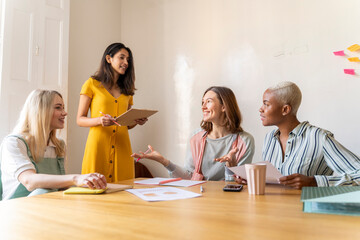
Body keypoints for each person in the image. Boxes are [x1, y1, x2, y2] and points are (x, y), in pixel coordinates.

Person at [0, 90, 107, 200]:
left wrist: (87, 183)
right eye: (58, 107)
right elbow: (29, 181)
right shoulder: (14, 143)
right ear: (41, 111)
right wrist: (76, 178)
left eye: (63, 108)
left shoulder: (59, 145)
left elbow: (60, 188)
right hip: (17, 210)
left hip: (48, 207)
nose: (64, 113)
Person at [131, 86, 255, 181]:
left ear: (224, 107)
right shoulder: (196, 138)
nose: (203, 107)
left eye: (209, 101)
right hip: (199, 200)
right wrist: (164, 161)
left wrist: (230, 169)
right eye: (202, 102)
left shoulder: (245, 141)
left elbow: (239, 185)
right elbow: (189, 177)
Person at [257, 81, 360, 189]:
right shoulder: (269, 139)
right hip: (270, 205)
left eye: (266, 104)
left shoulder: (319, 138)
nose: (261, 109)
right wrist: (250, 178)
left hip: (307, 205)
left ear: (285, 109)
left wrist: (314, 182)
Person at [77, 43, 148, 183]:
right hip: (98, 146)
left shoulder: (127, 90)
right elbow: (80, 119)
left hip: (122, 147)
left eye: (128, 60)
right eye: (121, 58)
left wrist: (135, 121)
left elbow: (125, 124)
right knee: (94, 189)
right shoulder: (92, 84)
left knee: (124, 190)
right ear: (109, 59)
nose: (126, 63)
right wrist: (99, 120)